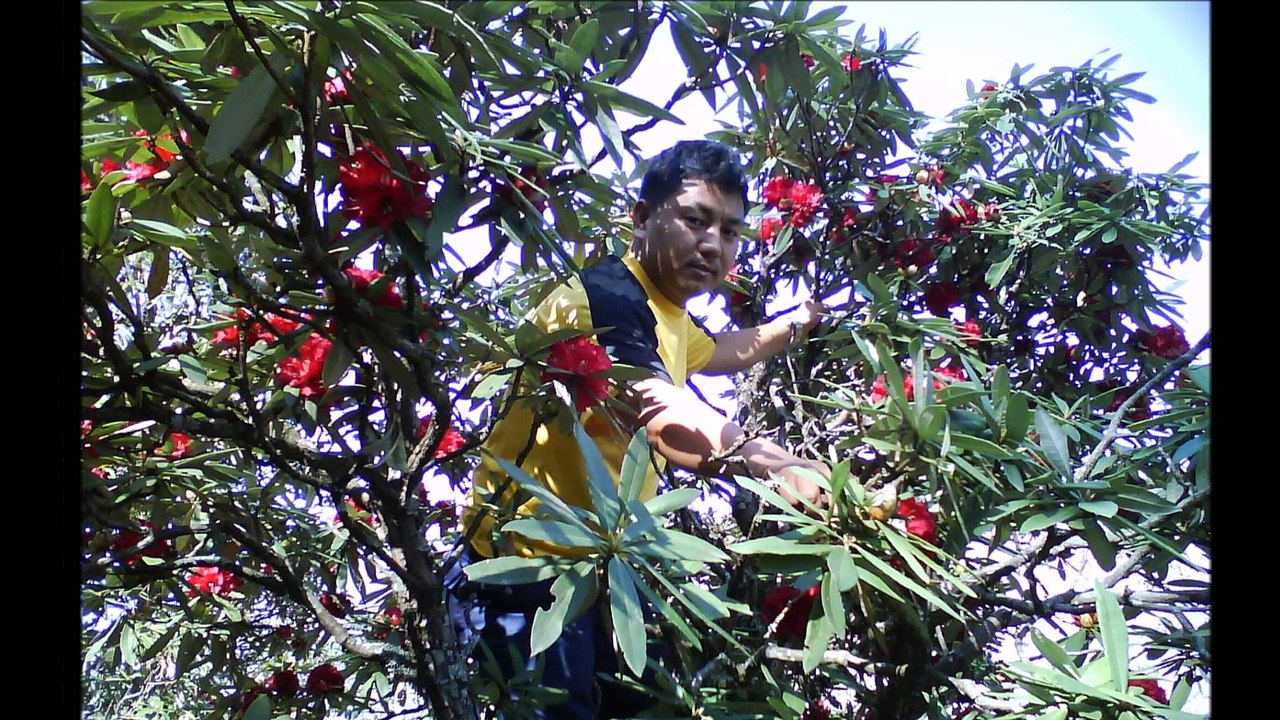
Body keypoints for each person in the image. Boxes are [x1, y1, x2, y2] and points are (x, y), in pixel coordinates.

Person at [445, 140, 830, 719]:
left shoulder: (667, 311)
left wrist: (795, 327)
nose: (713, 244)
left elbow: (721, 350)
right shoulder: (607, 296)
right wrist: (775, 464)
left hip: (601, 574)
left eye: (729, 232)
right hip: (523, 580)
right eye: (695, 220)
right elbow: (655, 406)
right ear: (643, 218)